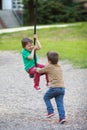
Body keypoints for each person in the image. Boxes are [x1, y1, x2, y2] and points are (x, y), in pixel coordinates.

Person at [36, 51, 66, 124]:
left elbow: (40, 71)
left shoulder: (49, 66)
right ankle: (62, 118)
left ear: (49, 60)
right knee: (60, 103)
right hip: (62, 88)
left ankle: (50, 111)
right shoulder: (59, 66)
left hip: (54, 88)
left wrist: (36, 69)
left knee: (46, 97)